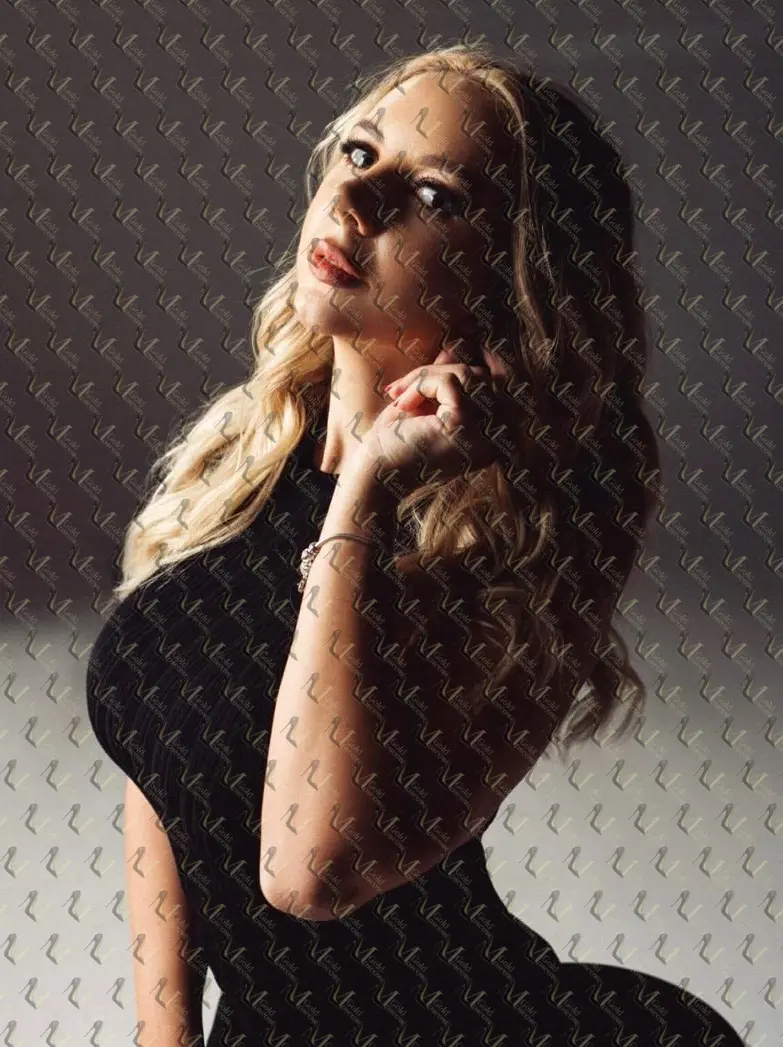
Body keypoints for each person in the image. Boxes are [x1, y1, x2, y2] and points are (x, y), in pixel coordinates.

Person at [86, 43, 742, 1046]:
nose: (357, 198)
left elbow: (308, 870)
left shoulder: (519, 556)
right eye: (359, 153)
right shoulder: (250, 458)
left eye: (435, 195)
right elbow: (156, 749)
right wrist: (161, 1038)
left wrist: (369, 485)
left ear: (514, 278)